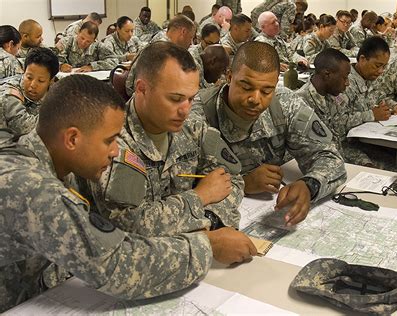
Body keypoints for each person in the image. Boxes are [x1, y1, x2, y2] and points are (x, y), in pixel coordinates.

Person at [0, 74, 257, 313]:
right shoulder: (31, 188)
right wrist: (208, 246)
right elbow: (117, 264)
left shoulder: (50, 164)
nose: (115, 151)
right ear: (72, 139)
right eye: (109, 140)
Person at [86, 42, 252, 248]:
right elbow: (129, 225)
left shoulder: (192, 129)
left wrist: (211, 219)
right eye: (175, 99)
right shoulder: (113, 143)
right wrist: (200, 197)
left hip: (192, 251)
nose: (185, 110)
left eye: (191, 99)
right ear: (141, 89)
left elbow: (232, 181)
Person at [192, 41, 346, 227]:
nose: (255, 99)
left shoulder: (285, 104)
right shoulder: (195, 114)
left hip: (267, 212)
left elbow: (330, 157)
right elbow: (177, 186)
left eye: (266, 91)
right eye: (246, 87)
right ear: (229, 77)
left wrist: (309, 185)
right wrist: (242, 183)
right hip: (218, 223)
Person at [338, 37, 394, 166]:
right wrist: (371, 115)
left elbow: (380, 97)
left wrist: (394, 106)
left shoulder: (372, 76)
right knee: (382, 167)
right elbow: (339, 121)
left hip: (367, 139)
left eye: (384, 66)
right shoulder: (344, 81)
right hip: (344, 143)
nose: (381, 71)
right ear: (362, 59)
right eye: (378, 65)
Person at [295, 48, 350, 152]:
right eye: (345, 77)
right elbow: (302, 152)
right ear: (327, 75)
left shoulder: (333, 95)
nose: (347, 83)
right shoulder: (300, 103)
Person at [0, 47, 58, 135]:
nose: (33, 85)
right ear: (24, 71)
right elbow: (24, 127)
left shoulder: (58, 91)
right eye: (29, 77)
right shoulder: (9, 92)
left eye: (41, 81)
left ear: (51, 80)